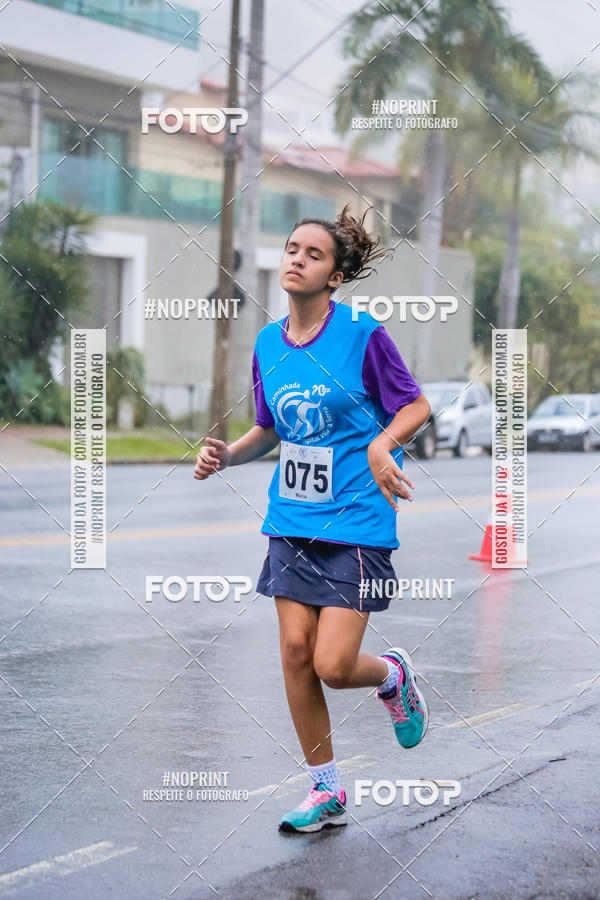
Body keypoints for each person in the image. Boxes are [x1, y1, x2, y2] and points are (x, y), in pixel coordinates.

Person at [194, 204, 431, 833]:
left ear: (334, 275)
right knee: (297, 655)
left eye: (313, 254)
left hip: (356, 521)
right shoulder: (269, 343)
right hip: (291, 520)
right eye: (292, 248)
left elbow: (416, 404)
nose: (296, 258)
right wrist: (227, 455)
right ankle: (325, 791)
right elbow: (271, 430)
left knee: (332, 663)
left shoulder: (361, 334)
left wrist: (383, 445)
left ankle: (393, 675)